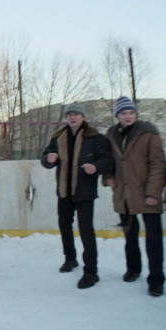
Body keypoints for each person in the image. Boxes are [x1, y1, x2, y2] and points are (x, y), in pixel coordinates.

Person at [40, 102, 113, 289]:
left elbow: (108, 160)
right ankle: (70, 258)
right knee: (64, 225)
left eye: (76, 114)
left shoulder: (94, 137)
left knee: (86, 230)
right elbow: (46, 156)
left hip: (84, 192)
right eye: (70, 114)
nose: (72, 117)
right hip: (64, 192)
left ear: (83, 117)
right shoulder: (59, 136)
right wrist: (48, 159)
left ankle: (91, 272)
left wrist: (96, 167)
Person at [103, 97, 165, 297]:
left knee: (154, 239)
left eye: (130, 112)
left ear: (135, 114)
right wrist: (109, 177)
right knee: (130, 235)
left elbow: (158, 164)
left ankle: (155, 279)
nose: (127, 116)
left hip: (147, 193)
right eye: (123, 113)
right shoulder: (112, 134)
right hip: (124, 194)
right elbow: (108, 160)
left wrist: (153, 193)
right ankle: (133, 269)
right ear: (118, 116)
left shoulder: (149, 133)